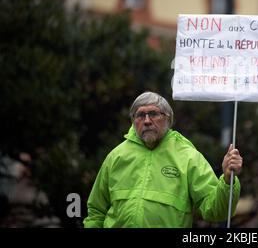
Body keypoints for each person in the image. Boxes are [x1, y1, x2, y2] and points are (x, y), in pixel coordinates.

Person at [83, 91, 243, 228]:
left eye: (153, 114)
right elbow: (96, 211)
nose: (146, 120)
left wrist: (228, 181)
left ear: (168, 119)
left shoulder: (188, 157)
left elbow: (215, 211)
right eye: (140, 115)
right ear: (133, 121)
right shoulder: (116, 156)